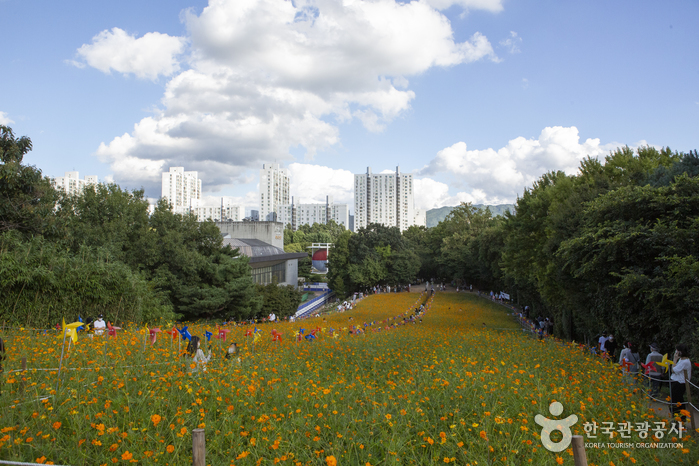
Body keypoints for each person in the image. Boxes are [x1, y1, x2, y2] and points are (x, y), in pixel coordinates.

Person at [671, 344, 692, 423]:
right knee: (674, 401)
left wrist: (674, 359)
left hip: (680, 383)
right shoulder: (682, 360)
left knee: (677, 402)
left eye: (677, 351)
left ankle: (680, 420)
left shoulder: (685, 362)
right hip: (676, 382)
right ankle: (676, 418)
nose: (676, 352)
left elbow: (673, 370)